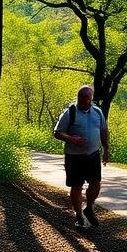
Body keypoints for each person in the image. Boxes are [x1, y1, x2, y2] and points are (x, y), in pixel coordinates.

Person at [54, 85, 109, 228]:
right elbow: (57, 132)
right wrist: (71, 139)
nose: (84, 101)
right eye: (81, 98)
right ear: (78, 97)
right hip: (74, 157)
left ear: (91, 98)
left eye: (87, 98)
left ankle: (89, 207)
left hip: (93, 155)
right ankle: (78, 215)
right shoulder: (70, 112)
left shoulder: (97, 112)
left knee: (96, 183)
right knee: (76, 186)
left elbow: (103, 130)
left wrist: (106, 149)